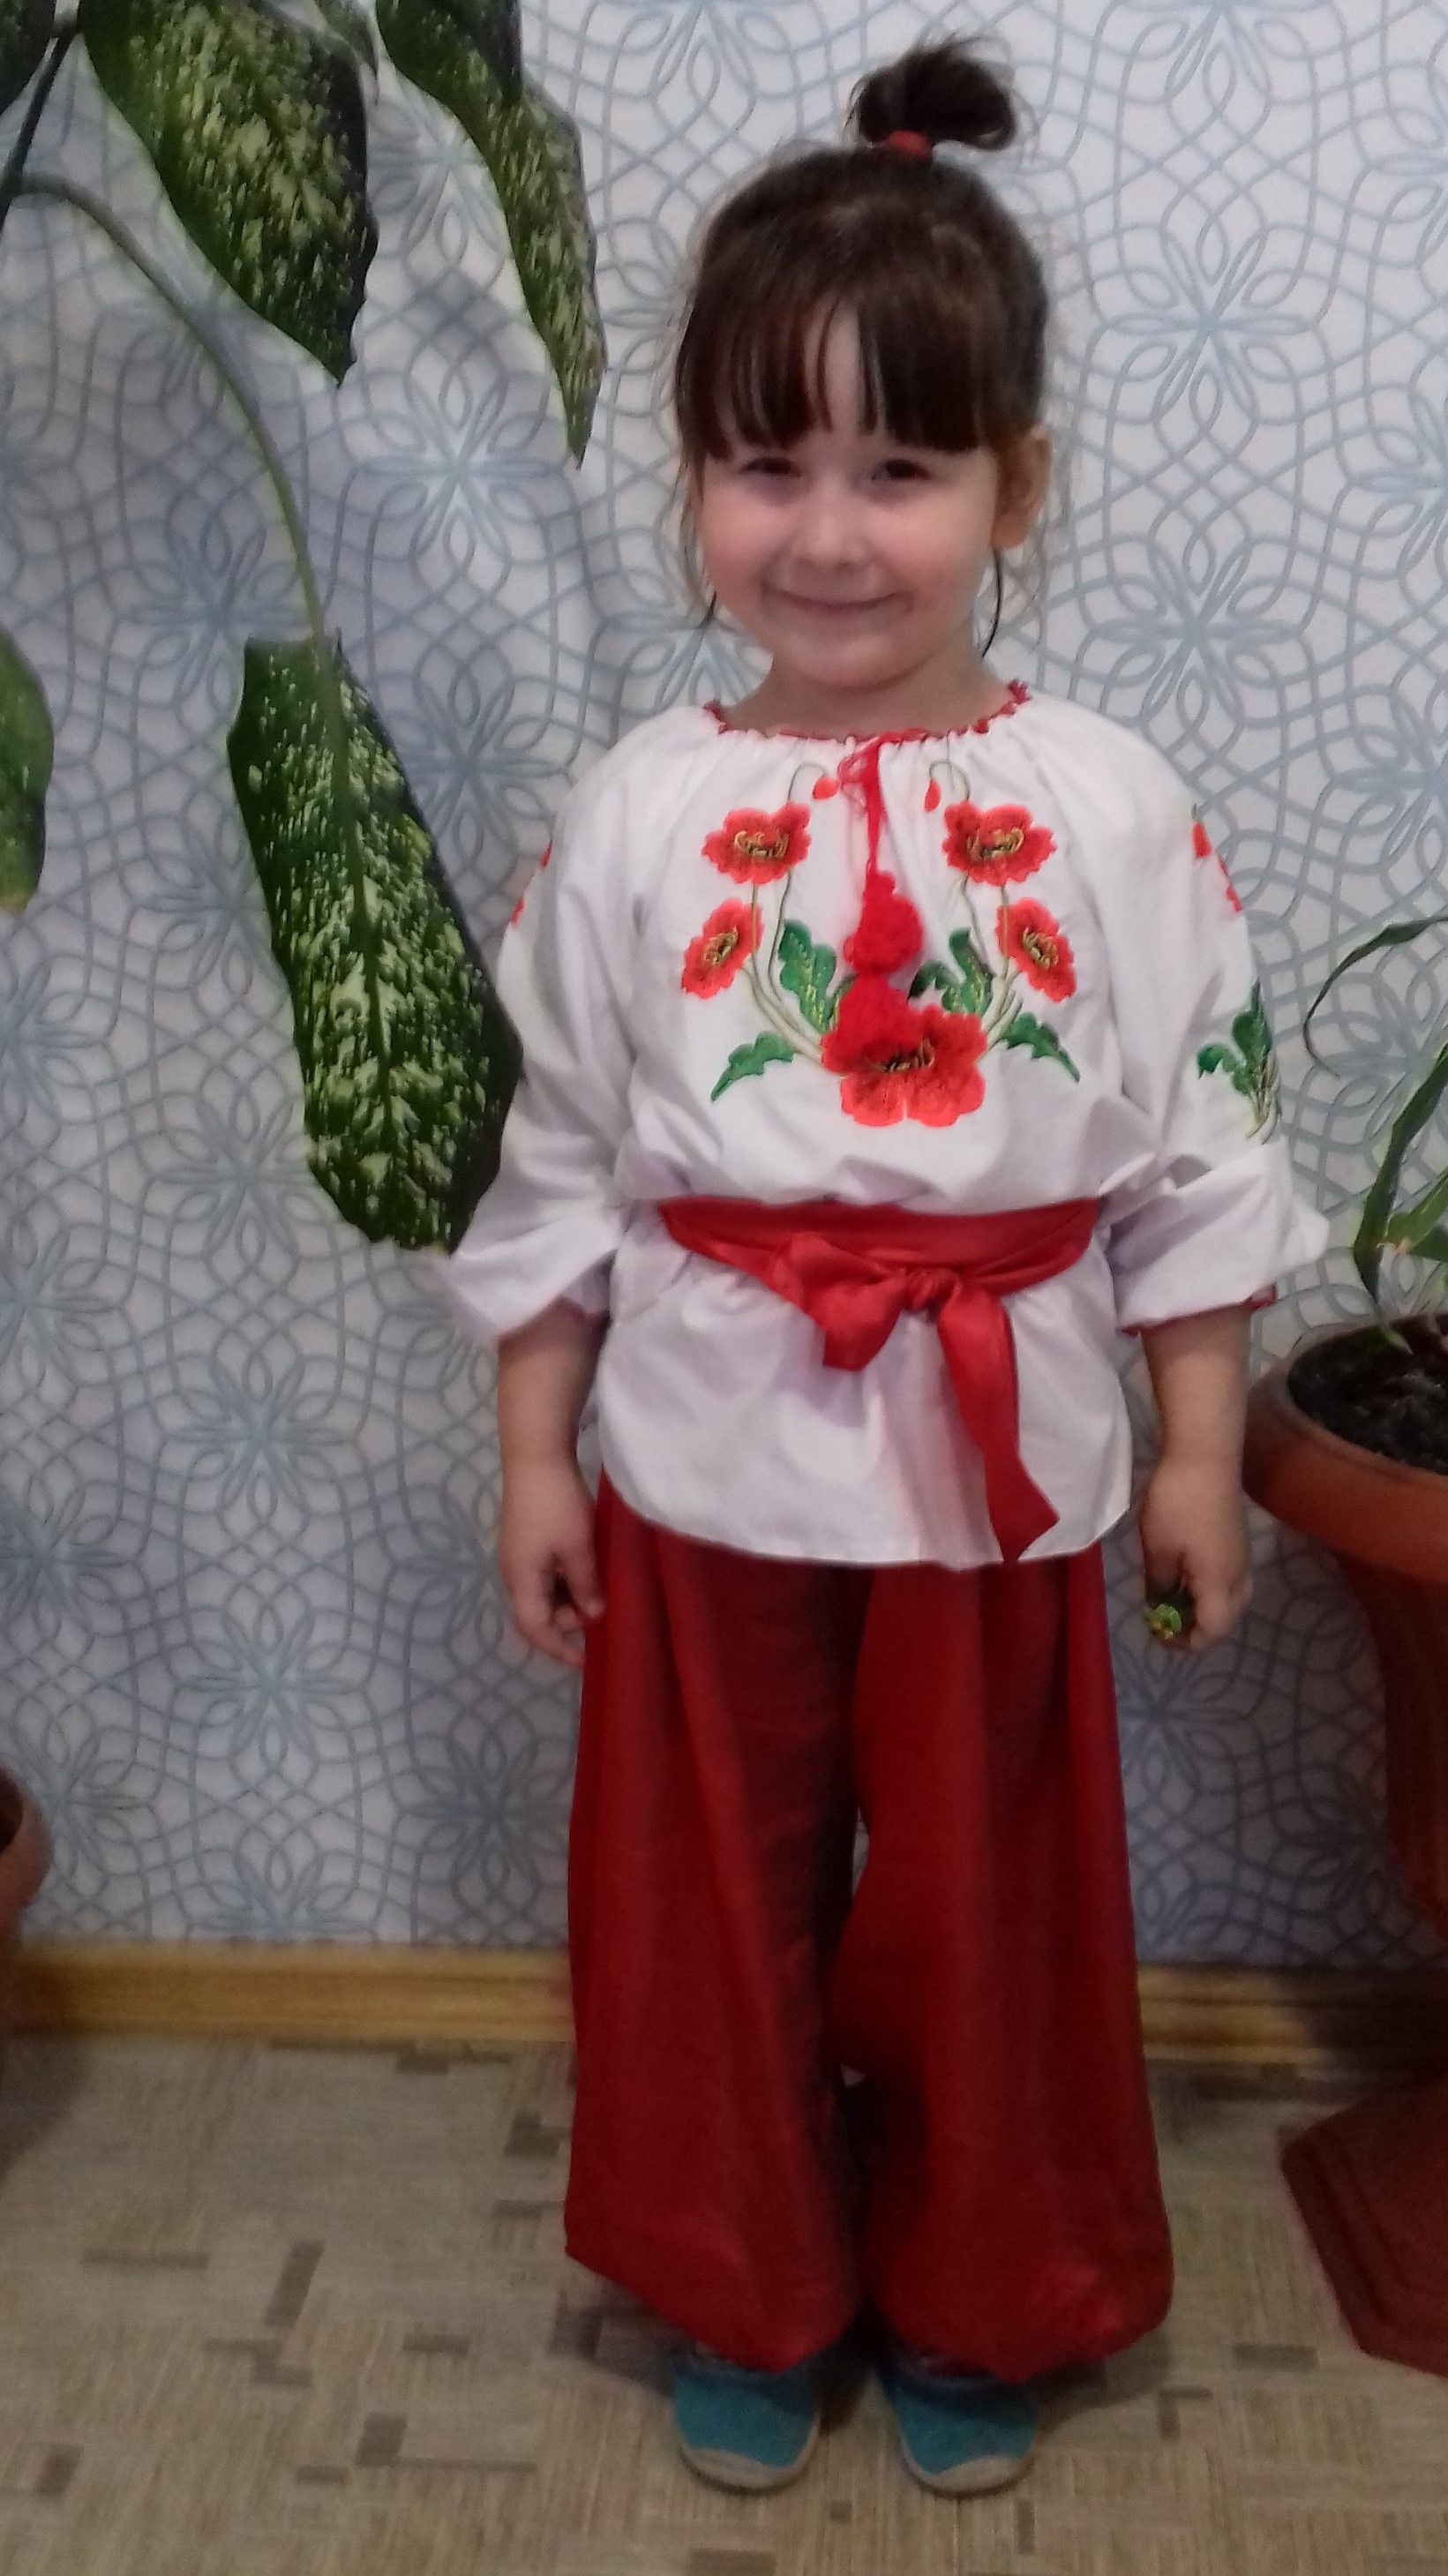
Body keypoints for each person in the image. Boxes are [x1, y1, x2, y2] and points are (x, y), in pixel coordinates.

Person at [422, 34, 1328, 2500]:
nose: (825, 533)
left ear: (1013, 484)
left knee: (981, 1906)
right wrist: (534, 1452)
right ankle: (746, 2274)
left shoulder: (1107, 808)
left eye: (898, 469)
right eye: (765, 462)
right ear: (694, 481)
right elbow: (563, 1155)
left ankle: (979, 2285)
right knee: (708, 1897)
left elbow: (1197, 1153)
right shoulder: (639, 813)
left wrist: (1198, 1453)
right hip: (702, 1453)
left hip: (999, 1462)